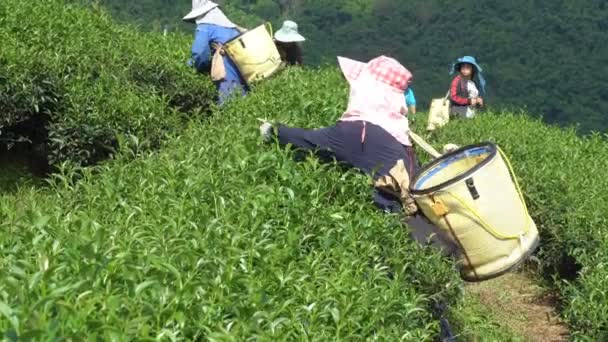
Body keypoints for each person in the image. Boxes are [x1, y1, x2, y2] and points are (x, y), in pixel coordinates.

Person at [259, 56, 419, 213]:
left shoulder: (358, 130)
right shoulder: (402, 137)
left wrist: (271, 130)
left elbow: (306, 141)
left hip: (403, 226)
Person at [184, 0, 248, 105]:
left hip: (227, 80)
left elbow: (199, 54)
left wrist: (195, 66)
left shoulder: (205, 27)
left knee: (228, 111)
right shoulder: (233, 29)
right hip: (245, 77)